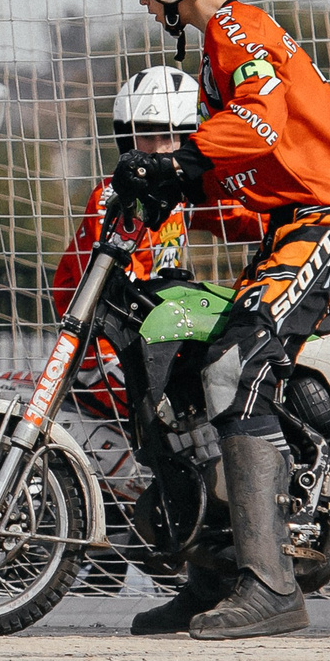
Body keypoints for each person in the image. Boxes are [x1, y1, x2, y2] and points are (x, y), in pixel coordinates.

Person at [97, 0, 330, 640]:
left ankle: (270, 584)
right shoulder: (220, 43)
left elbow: (258, 121)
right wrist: (175, 183)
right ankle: (215, 578)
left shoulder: (236, 27)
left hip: (329, 216)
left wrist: (181, 161)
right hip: (297, 219)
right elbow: (257, 161)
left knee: (237, 364)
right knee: (202, 378)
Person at [48, 65, 265, 421]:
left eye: (172, 136)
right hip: (102, 351)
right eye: (147, 136)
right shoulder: (113, 199)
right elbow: (119, 295)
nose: (160, 149)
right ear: (126, 140)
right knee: (196, 419)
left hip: (154, 340)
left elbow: (242, 218)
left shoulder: (180, 198)